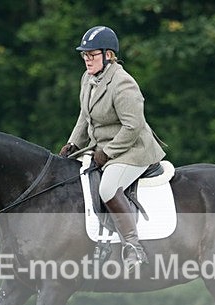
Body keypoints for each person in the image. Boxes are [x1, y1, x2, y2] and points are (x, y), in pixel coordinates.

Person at [59, 25, 165, 269]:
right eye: (84, 55)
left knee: (107, 188)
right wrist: (73, 143)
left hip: (133, 150)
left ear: (108, 55)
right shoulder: (88, 79)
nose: (87, 60)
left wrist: (106, 154)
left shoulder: (123, 84)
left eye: (92, 55)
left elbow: (133, 126)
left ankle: (132, 246)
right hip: (102, 148)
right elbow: (84, 117)